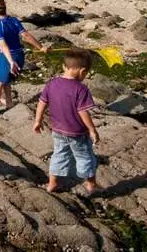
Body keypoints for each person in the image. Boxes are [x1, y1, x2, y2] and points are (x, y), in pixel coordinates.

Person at [33, 49, 99, 194]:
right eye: (86, 73)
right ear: (82, 71)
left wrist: (38, 120)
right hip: (78, 132)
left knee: (59, 154)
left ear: (64, 66)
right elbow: (83, 112)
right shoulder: (81, 89)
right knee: (85, 156)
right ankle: (90, 184)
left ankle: (52, 184)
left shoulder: (52, 84)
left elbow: (42, 102)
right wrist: (92, 130)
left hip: (57, 130)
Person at [0, 0, 47, 114]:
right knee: (6, 80)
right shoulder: (14, 20)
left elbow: (3, 46)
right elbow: (26, 36)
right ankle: (9, 102)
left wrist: (11, 61)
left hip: (8, 57)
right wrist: (41, 47)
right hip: (20, 54)